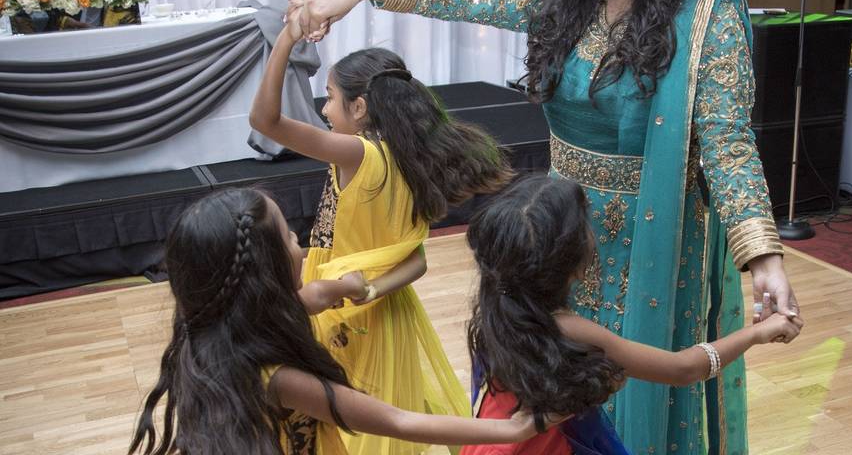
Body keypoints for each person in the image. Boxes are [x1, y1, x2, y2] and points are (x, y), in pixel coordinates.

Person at [285, 0, 801, 454]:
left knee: (648, 386)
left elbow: (728, 146)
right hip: (561, 243)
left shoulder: (704, 18)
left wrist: (763, 256)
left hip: (656, 242)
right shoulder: (562, 3)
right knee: (559, 402)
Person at [128, 188, 545, 455]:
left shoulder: (210, 329)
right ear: (266, 273)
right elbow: (398, 420)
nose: (302, 245)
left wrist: (337, 288)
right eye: (291, 238)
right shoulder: (279, 379)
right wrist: (515, 429)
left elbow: (307, 297)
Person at [250, 35, 513, 454]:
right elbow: (417, 261)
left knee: (355, 424)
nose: (324, 109)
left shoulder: (358, 153)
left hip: (344, 317)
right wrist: (367, 289)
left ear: (360, 108)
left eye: (331, 98)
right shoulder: (406, 157)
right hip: (385, 312)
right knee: (388, 419)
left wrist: (283, 41)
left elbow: (266, 122)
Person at [462, 175, 802, 454]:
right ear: (578, 267)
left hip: (491, 441)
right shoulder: (569, 329)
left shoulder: (496, 302)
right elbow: (683, 369)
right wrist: (756, 333)